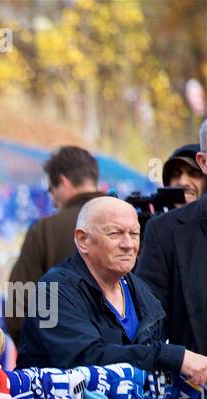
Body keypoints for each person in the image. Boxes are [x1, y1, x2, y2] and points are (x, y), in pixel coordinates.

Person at [17, 196, 207, 385]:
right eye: (115, 233)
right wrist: (172, 357)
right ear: (82, 240)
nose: (128, 245)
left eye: (134, 234)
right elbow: (85, 361)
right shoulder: (50, 290)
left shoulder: (139, 289)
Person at [6, 146, 108, 337]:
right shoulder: (132, 223)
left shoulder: (45, 230)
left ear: (63, 181)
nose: (52, 201)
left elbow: (18, 303)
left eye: (51, 190)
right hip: (124, 360)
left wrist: (37, 350)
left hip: (59, 358)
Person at [137, 121, 207, 351]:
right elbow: (148, 328)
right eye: (175, 174)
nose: (184, 182)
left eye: (191, 174)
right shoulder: (161, 232)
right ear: (204, 162)